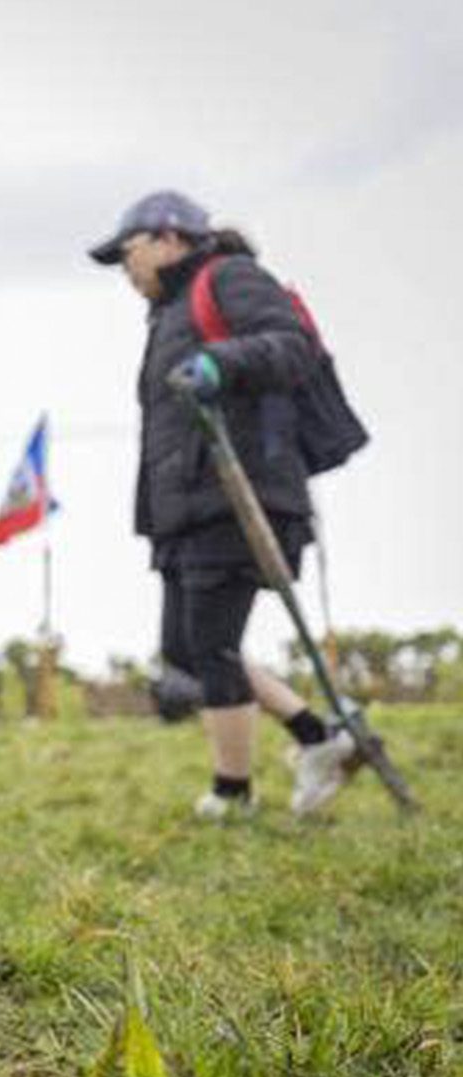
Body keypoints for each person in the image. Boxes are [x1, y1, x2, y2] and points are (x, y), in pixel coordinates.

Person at [89, 190, 355, 820]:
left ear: (167, 237)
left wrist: (218, 360)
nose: (125, 271)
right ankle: (320, 738)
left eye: (127, 254)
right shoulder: (169, 313)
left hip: (240, 496)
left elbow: (292, 347)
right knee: (187, 650)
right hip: (186, 507)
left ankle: (234, 793)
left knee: (211, 646)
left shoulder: (227, 277)